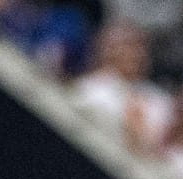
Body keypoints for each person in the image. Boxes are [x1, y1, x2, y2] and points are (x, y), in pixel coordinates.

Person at [72, 21, 175, 155]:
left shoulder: (160, 99)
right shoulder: (89, 87)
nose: (137, 54)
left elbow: (162, 146)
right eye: (128, 46)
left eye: (141, 47)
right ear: (108, 50)